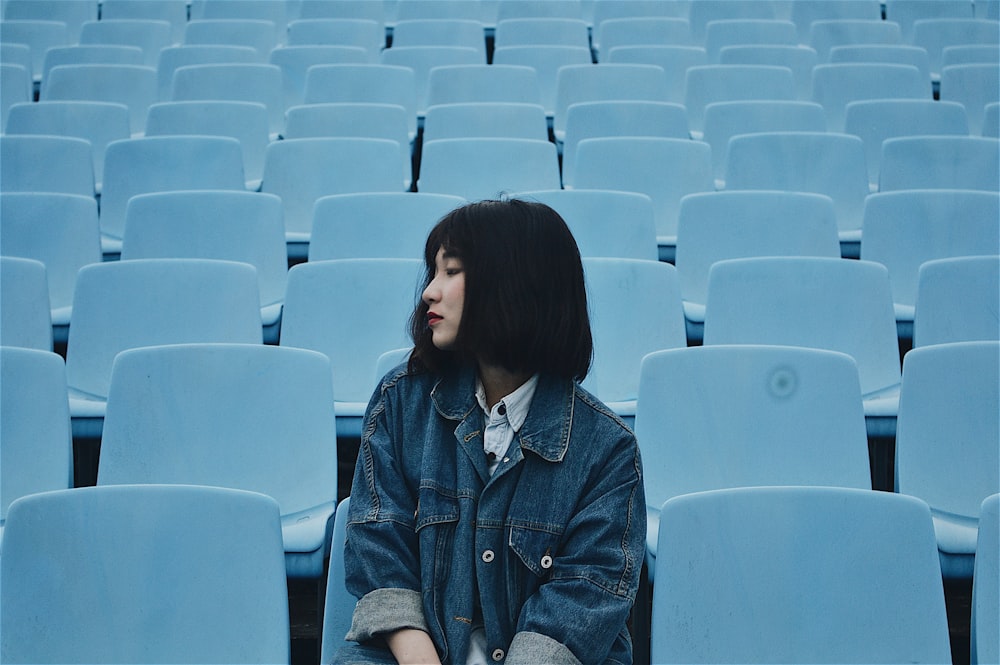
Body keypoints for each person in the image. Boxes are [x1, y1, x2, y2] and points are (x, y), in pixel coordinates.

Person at [334, 198, 646, 665]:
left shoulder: (607, 449)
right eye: (432, 273)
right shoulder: (400, 401)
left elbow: (585, 597)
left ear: (513, 285)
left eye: (451, 271)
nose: (428, 293)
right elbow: (379, 543)